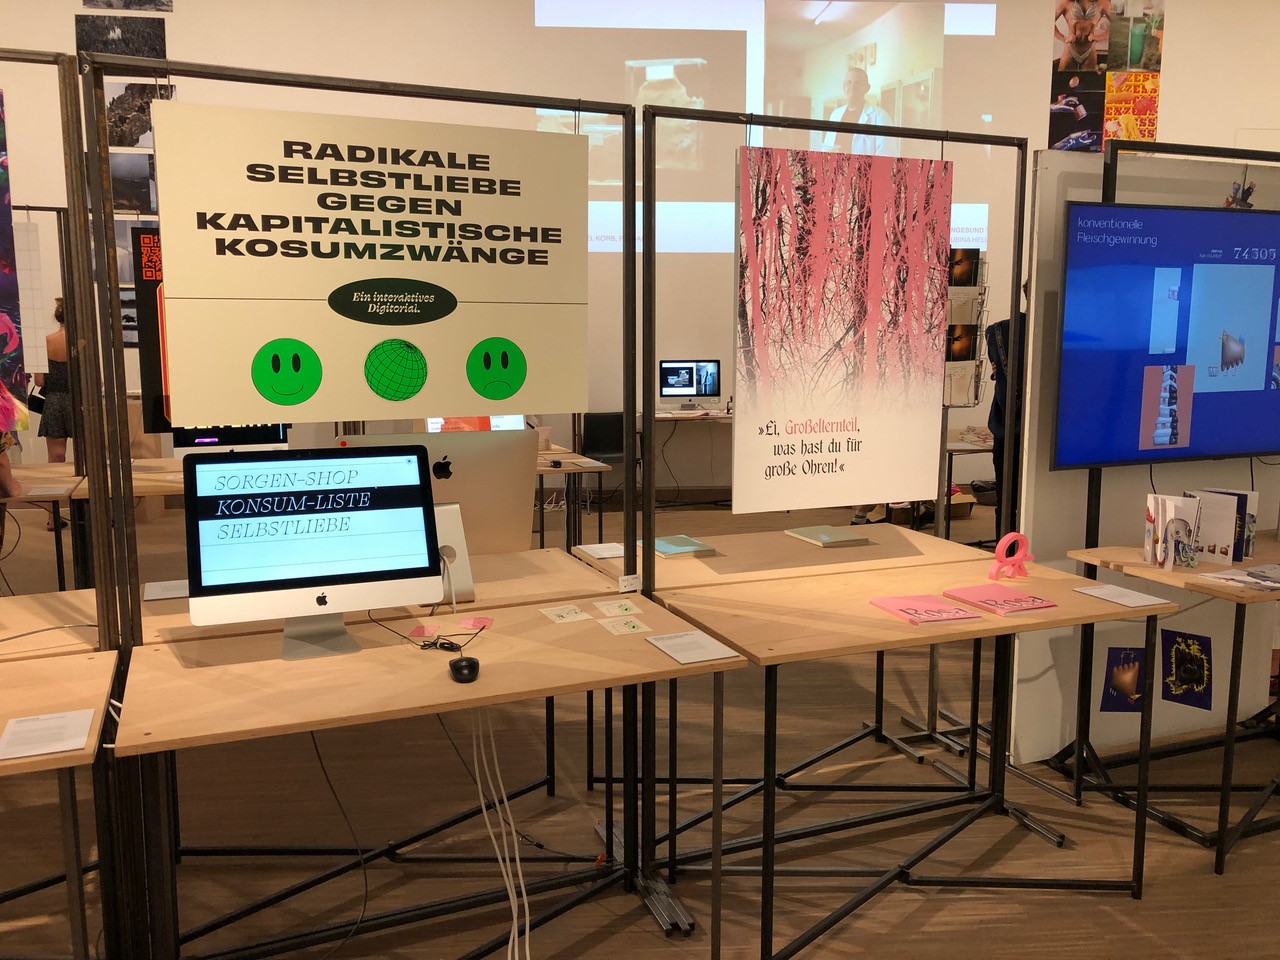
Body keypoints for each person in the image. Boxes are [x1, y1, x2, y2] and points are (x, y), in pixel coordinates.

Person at [985, 281, 1027, 536]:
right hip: (1041, 431)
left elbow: (997, 369)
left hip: (1005, 427)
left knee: (1006, 499)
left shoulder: (997, 332)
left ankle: (1006, 550)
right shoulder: (1064, 332)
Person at [36, 298, 73, 465]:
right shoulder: (81, 343)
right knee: (89, 454)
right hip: (78, 401)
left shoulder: (45, 342)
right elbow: (98, 382)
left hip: (54, 401)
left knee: (56, 457)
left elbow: (39, 381)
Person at [823, 66, 892, 156]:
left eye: (858, 83)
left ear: (867, 88)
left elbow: (886, 157)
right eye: (849, 82)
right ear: (844, 87)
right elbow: (827, 148)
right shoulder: (835, 115)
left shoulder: (880, 117)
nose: (853, 87)